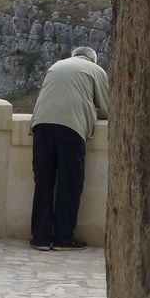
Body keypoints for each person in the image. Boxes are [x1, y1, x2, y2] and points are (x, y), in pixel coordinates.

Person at [29, 46, 109, 251]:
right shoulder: (96, 71)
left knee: (44, 181)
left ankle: (40, 238)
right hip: (71, 127)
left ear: (74, 57)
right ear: (93, 60)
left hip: (41, 125)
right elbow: (107, 109)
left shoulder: (56, 66)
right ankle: (64, 238)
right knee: (69, 183)